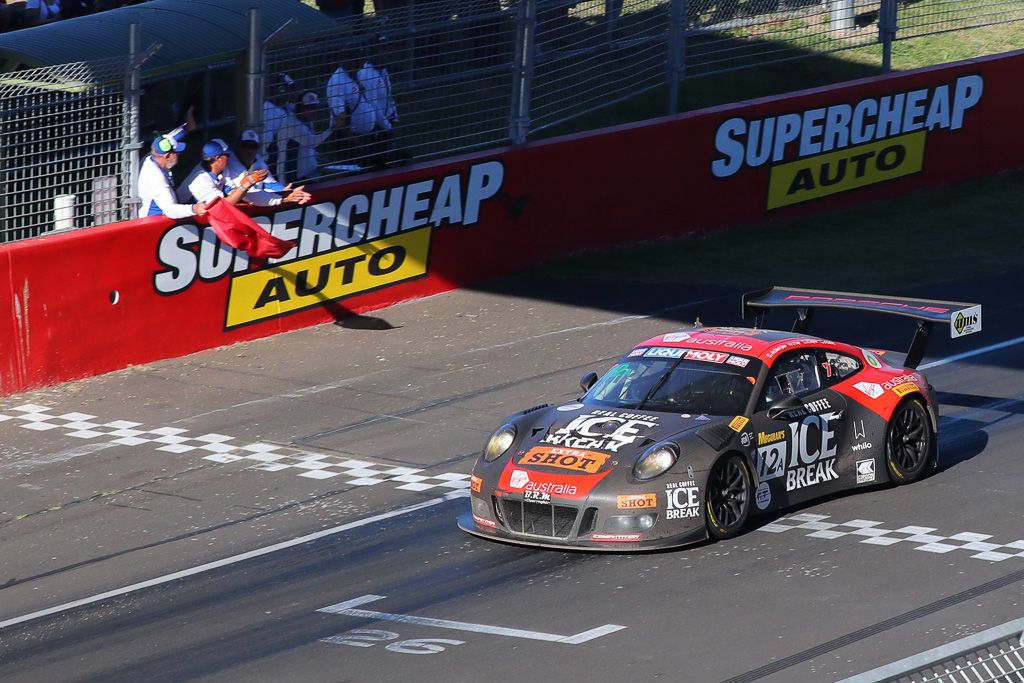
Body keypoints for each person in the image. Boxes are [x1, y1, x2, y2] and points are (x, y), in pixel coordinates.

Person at [224, 129, 312, 206]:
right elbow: (245, 195)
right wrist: (283, 197)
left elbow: (269, 183)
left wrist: (284, 190)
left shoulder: (258, 160)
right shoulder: (229, 163)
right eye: (245, 146)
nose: (250, 151)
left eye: (253, 147)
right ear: (238, 147)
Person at [137, 125, 206, 219]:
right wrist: (194, 208)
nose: (179, 155)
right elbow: (170, 211)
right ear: (167, 156)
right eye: (176, 152)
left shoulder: (154, 156)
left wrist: (187, 127)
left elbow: (170, 138)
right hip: (154, 224)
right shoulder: (157, 180)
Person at [177, 139, 269, 207]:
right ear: (217, 158)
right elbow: (223, 205)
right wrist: (247, 184)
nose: (230, 158)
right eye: (227, 155)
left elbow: (233, 193)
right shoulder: (200, 180)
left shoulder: (223, 170)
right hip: (182, 223)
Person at [274, 91, 340, 183]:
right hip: (291, 179)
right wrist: (332, 128)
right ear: (300, 108)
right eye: (308, 108)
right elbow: (311, 142)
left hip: (307, 176)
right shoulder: (292, 124)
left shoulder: (307, 121)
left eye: (314, 107)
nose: (312, 111)